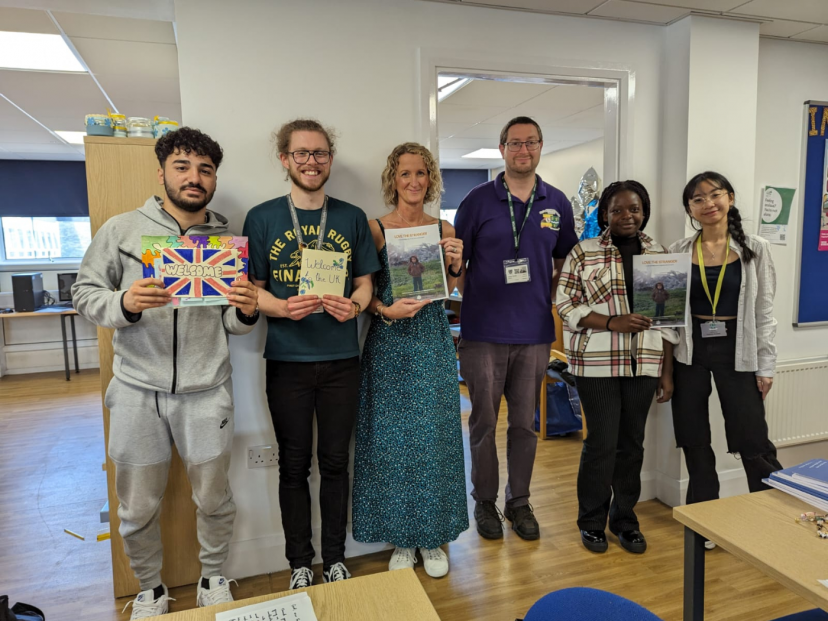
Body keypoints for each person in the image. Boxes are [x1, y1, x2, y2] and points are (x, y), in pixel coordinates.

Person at [72, 128, 259, 619]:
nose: (194, 178)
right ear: (162, 173)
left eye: (205, 169)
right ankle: (150, 588)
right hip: (136, 390)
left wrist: (246, 310)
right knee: (135, 507)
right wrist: (125, 303)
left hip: (206, 392)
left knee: (214, 498)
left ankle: (214, 578)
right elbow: (84, 294)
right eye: (183, 167)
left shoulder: (224, 241)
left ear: (215, 177)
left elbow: (230, 323)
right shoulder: (121, 230)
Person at [243, 119, 380, 589]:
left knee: (337, 462)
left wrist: (356, 305)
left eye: (320, 153)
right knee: (294, 465)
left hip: (343, 358)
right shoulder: (262, 218)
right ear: (285, 159)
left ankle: (336, 557)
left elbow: (366, 283)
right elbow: (248, 292)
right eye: (301, 153)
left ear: (330, 159)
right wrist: (280, 307)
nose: (311, 162)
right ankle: (300, 561)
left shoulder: (351, 216)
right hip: (287, 361)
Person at [454, 116, 579, 541]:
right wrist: (482, 295)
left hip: (534, 333)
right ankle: (485, 502)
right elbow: (457, 266)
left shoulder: (557, 203)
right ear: (502, 148)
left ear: (541, 146)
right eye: (514, 143)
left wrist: (548, 293)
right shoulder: (477, 200)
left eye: (531, 143)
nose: (522, 150)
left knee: (524, 425)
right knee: (483, 422)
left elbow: (566, 261)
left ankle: (519, 502)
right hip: (483, 333)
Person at [352, 142, 468, 578]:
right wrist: (383, 310)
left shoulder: (443, 226)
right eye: (405, 174)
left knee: (434, 440)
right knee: (391, 443)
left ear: (431, 178)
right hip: (389, 341)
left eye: (421, 174)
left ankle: (432, 538)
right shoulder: (375, 228)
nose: (414, 181)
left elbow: (453, 289)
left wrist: (456, 263)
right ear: (392, 179)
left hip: (432, 342)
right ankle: (401, 539)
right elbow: (362, 290)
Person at [556, 180, 678, 555]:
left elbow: (671, 319)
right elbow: (564, 303)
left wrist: (667, 372)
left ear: (645, 211)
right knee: (601, 444)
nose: (628, 216)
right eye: (618, 210)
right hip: (596, 364)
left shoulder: (661, 254)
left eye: (635, 209)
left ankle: (624, 518)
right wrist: (611, 322)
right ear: (604, 214)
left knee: (632, 445)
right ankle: (591, 521)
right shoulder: (584, 252)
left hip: (645, 362)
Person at [669, 171, 782, 520]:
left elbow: (764, 311)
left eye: (714, 195)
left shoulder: (755, 248)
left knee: (751, 435)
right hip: (690, 350)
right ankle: (706, 519)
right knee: (693, 436)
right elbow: (667, 316)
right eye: (698, 199)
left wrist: (766, 365)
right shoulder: (677, 251)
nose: (708, 204)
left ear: (729, 198)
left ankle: (770, 516)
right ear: (689, 208)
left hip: (739, 348)